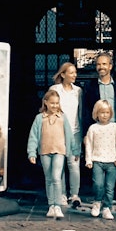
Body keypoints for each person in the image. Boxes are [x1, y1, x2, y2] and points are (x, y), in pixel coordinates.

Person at [81, 52, 116, 200]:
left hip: (114, 130)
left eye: (104, 64)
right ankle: (99, 196)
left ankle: (114, 195)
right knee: (97, 164)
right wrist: (85, 133)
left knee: (115, 162)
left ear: (110, 66)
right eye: (98, 64)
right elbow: (86, 111)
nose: (101, 67)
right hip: (97, 131)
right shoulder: (90, 86)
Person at [26, 89, 77, 220]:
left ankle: (58, 204)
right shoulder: (39, 118)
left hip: (59, 150)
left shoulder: (62, 117)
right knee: (49, 178)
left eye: (57, 103)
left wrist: (74, 150)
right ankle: (51, 206)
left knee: (56, 177)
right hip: (45, 151)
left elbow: (69, 135)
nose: (55, 106)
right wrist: (32, 152)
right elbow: (33, 136)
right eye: (52, 103)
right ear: (46, 103)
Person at [83, 99, 116, 220]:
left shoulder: (114, 127)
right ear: (96, 114)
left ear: (110, 113)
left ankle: (107, 208)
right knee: (98, 184)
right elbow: (89, 144)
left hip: (111, 161)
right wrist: (88, 160)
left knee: (110, 187)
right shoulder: (93, 128)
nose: (104, 115)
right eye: (101, 112)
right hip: (97, 161)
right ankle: (97, 203)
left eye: (107, 112)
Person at [50, 62, 83, 208]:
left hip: (75, 132)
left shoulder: (78, 91)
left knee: (74, 164)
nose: (75, 75)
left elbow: (81, 112)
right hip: (58, 132)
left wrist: (83, 133)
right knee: (60, 165)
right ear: (63, 74)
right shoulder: (55, 90)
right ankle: (61, 194)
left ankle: (74, 195)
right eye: (71, 72)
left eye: (75, 72)